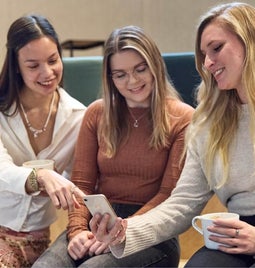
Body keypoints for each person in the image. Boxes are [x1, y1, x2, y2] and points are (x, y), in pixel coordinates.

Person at [90, 2, 255, 268]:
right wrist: (124, 231)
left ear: (250, 41)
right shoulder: (208, 121)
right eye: (203, 54)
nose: (208, 63)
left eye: (216, 48)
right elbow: (181, 204)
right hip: (236, 230)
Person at [32, 25, 194, 268]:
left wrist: (122, 233)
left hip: (152, 231)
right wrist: (76, 232)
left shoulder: (183, 118)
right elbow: (82, 185)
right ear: (110, 78)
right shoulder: (97, 113)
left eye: (141, 69)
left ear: (155, 67)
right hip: (97, 219)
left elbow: (168, 194)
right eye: (120, 74)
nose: (133, 81)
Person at [0, 15, 86, 267]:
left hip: (38, 240)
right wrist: (42, 177)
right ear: (16, 65)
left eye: (52, 60)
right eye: (33, 65)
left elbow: (80, 182)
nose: (47, 73)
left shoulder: (79, 117)